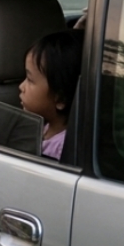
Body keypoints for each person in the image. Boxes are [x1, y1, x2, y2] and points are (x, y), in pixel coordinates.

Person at [18, 29, 83, 160]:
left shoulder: (62, 151)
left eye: (30, 80)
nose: (21, 87)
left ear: (60, 98)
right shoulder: (46, 128)